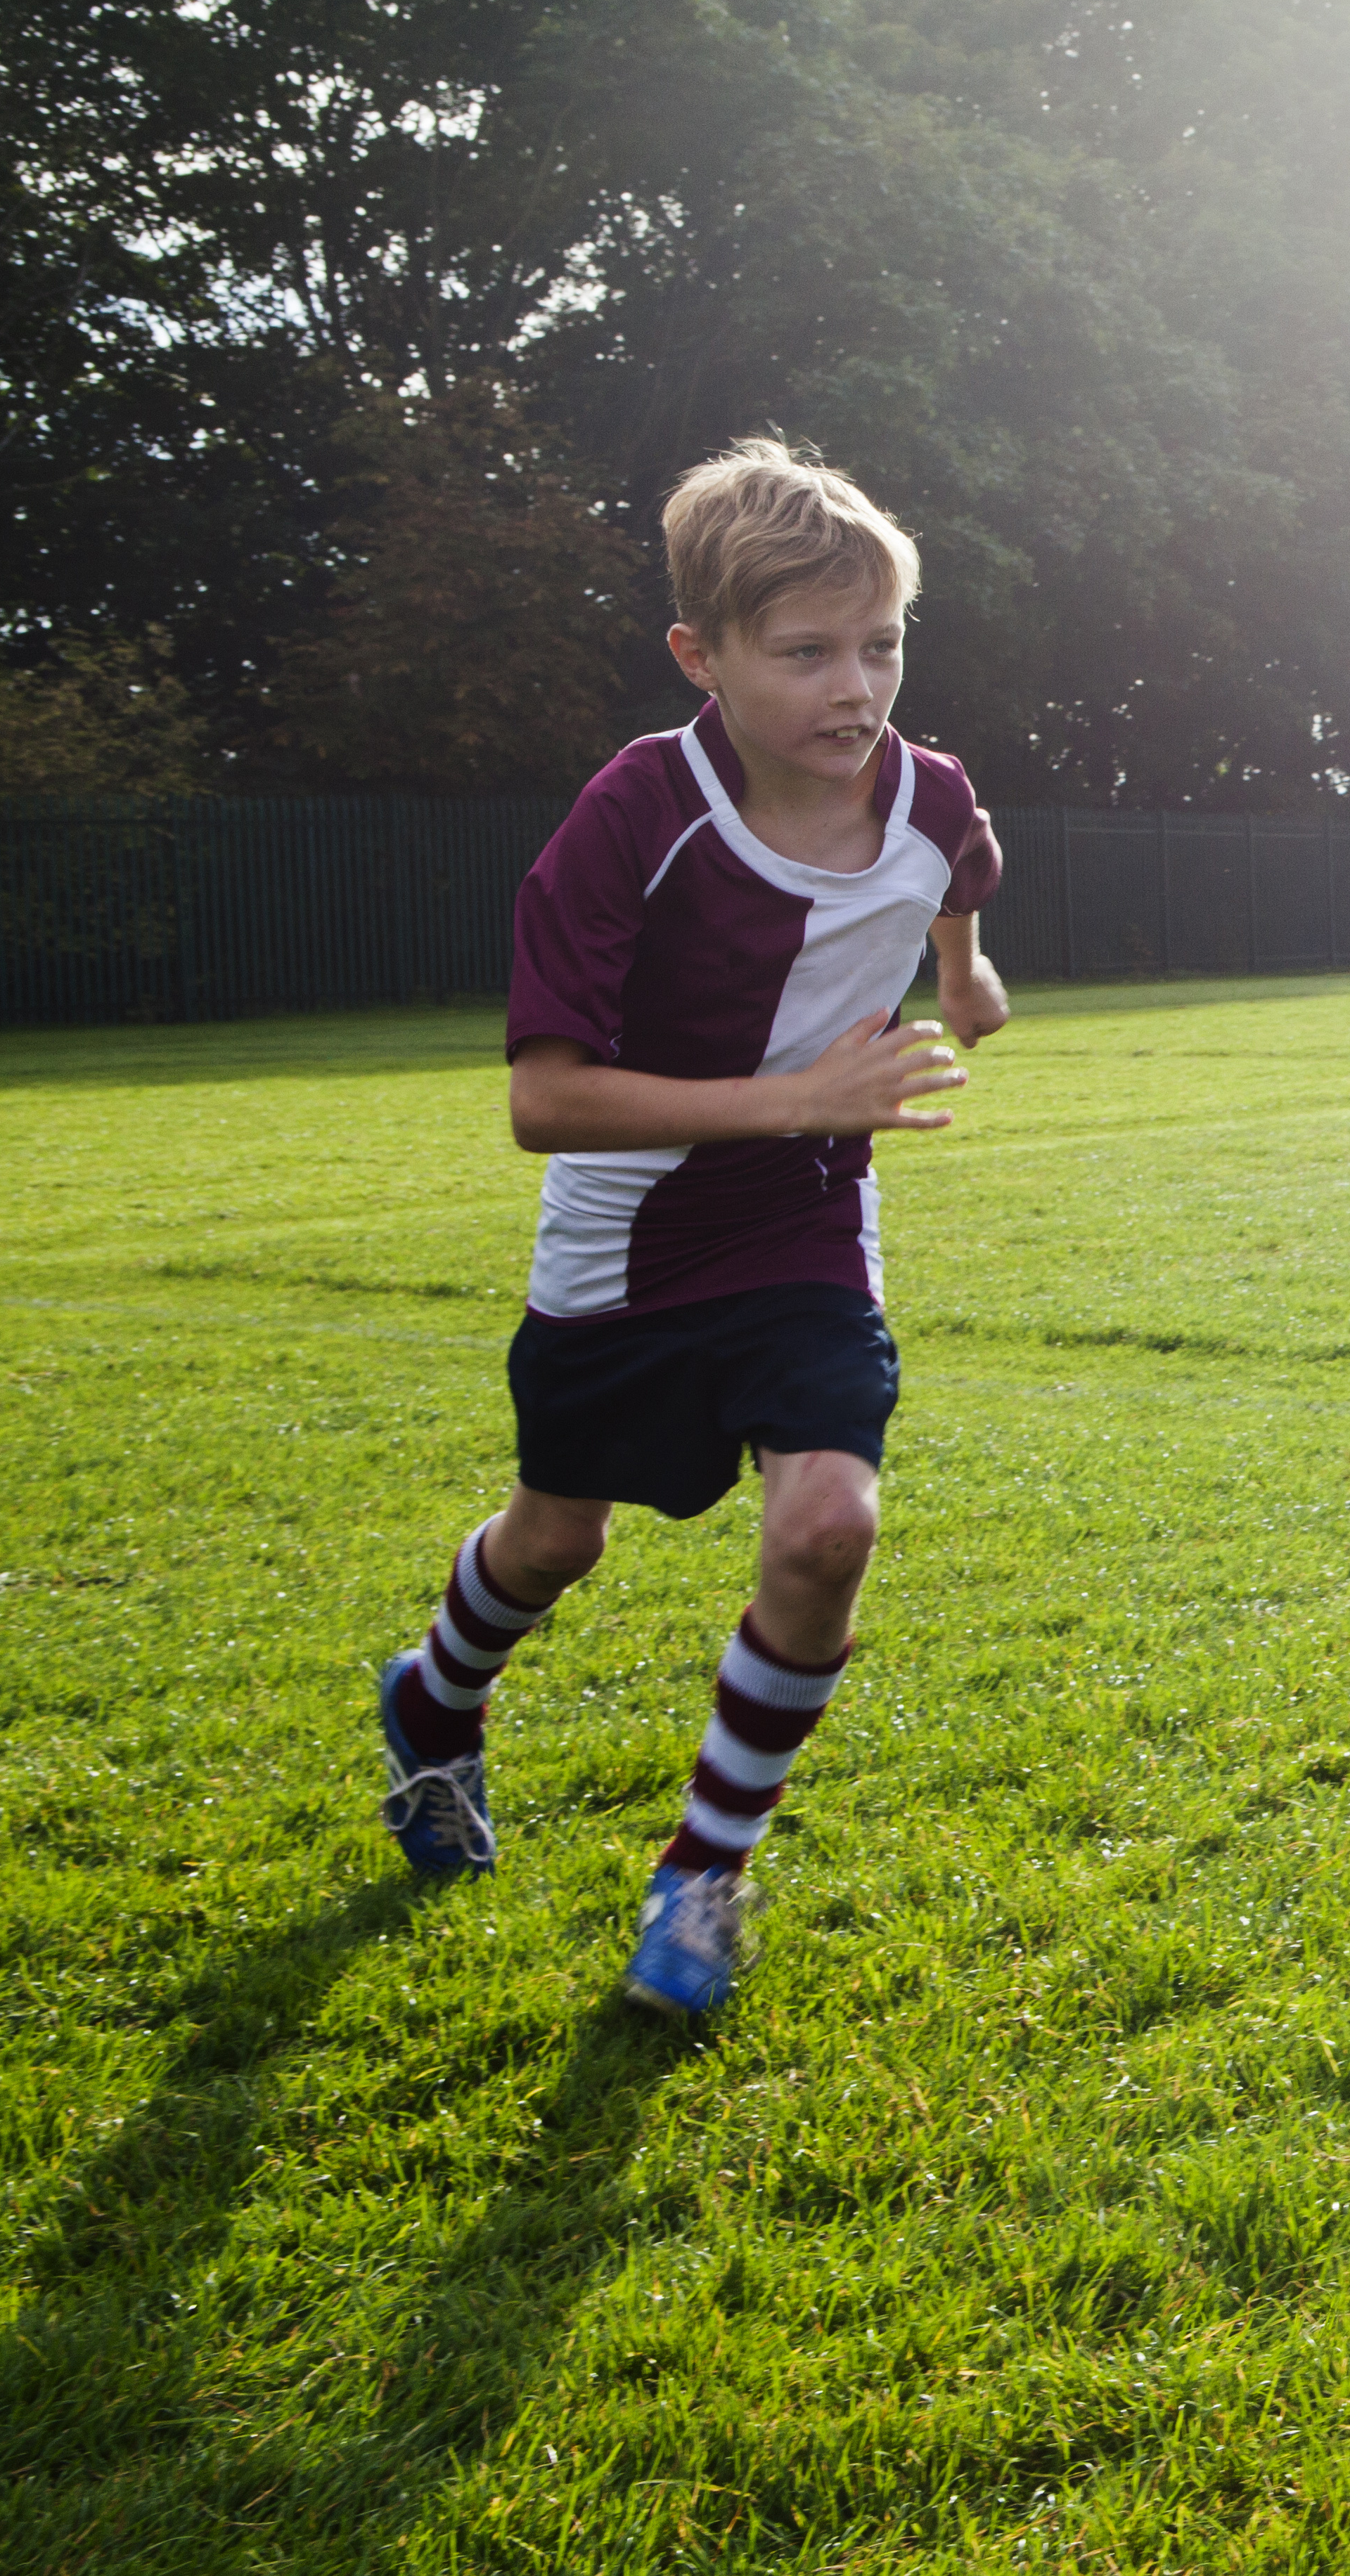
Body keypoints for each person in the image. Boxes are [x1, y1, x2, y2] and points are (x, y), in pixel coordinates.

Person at [366, 439, 1008, 2016]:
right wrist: (799, 1095)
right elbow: (544, 1103)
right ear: (699, 655)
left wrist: (964, 972)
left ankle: (704, 1873)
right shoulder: (637, 812)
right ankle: (436, 1700)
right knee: (556, 1539)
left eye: (882, 646)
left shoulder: (927, 792)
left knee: (830, 1527)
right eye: (805, 654)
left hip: (805, 1223)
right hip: (626, 1240)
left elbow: (961, 868)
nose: (855, 690)